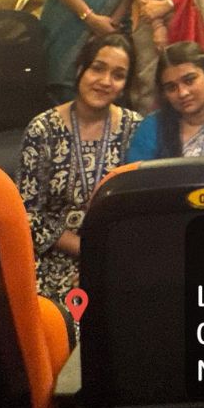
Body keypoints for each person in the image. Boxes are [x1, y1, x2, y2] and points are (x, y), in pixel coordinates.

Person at [16, 33, 142, 302]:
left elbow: (140, 210)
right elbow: (28, 215)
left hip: (116, 253)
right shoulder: (43, 130)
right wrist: (88, 251)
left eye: (118, 75)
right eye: (97, 68)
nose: (105, 81)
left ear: (124, 86)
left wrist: (108, 256)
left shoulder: (135, 128)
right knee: (66, 314)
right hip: (53, 252)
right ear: (79, 69)